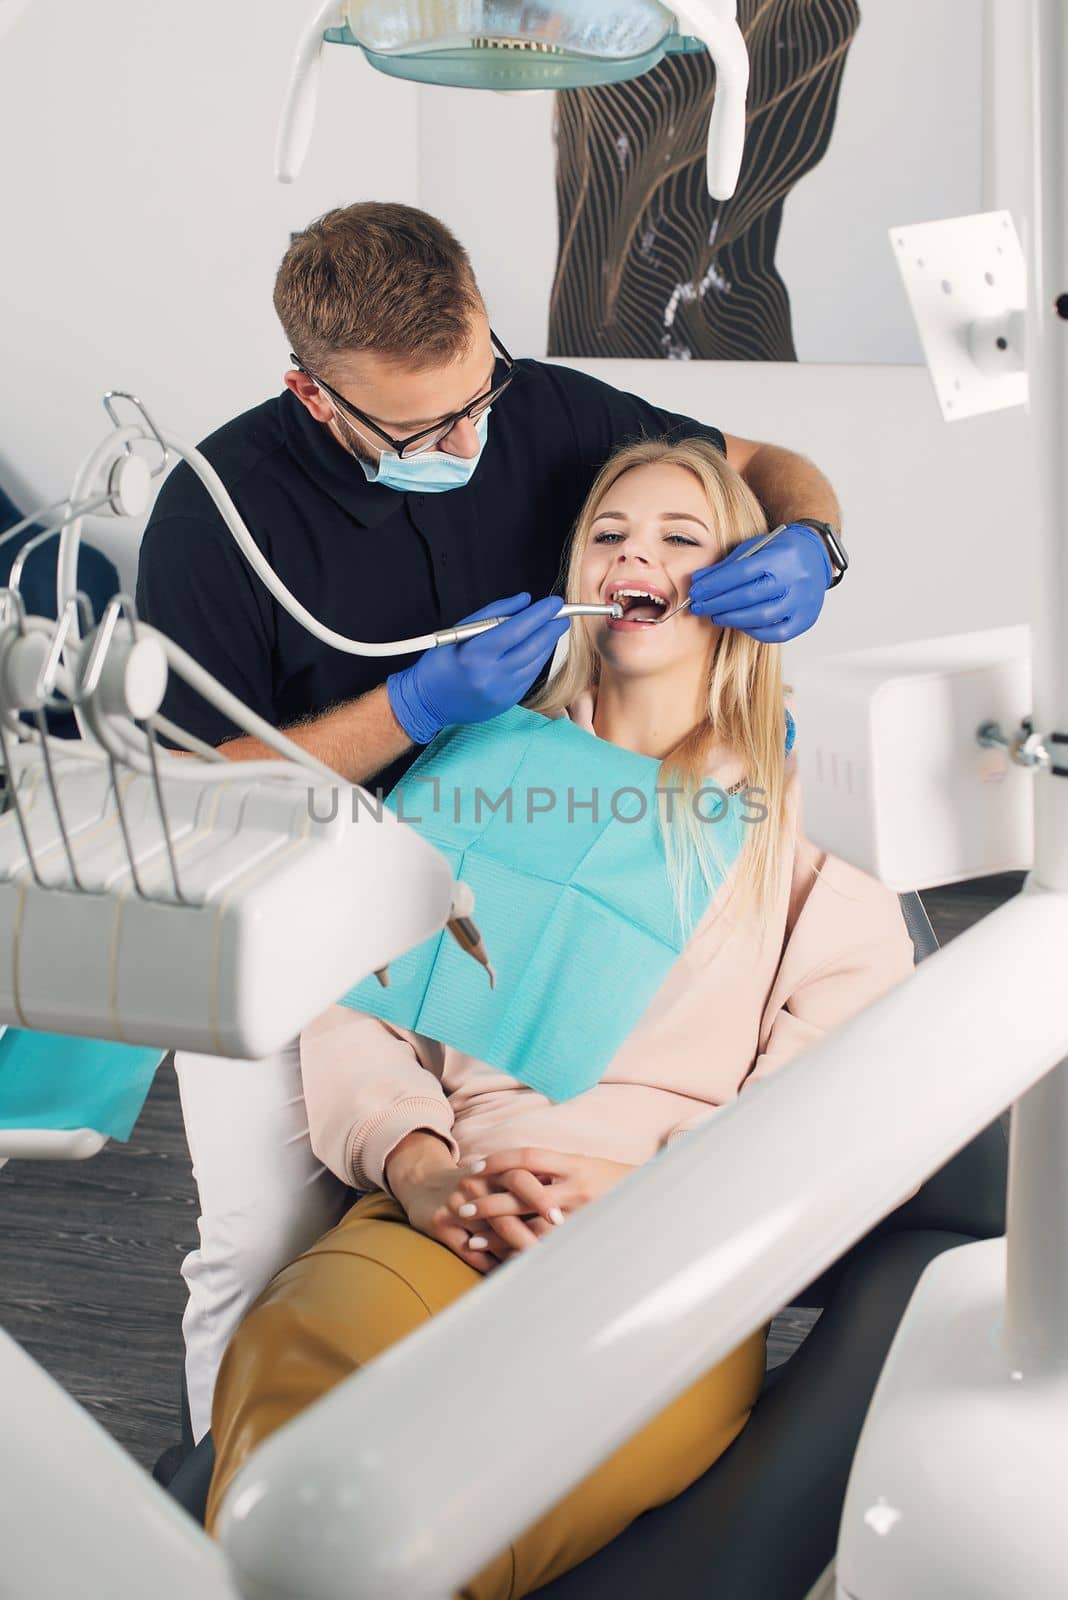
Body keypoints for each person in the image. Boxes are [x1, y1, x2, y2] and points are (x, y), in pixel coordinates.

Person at [135, 200, 849, 1444]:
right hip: (266, 888)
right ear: (318, 398)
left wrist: (816, 543)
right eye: (428, 425)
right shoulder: (216, 516)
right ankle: (218, 1520)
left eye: (481, 391)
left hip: (511, 976)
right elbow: (183, 792)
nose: (473, 435)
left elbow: (769, 468)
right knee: (264, 1243)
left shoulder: (548, 413)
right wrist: (408, 706)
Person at [204, 437, 911, 1598]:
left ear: (738, 585)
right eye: (610, 534)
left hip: (667, 1261)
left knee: (448, 1529)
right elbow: (356, 1005)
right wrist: (423, 1168)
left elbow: (830, 1081)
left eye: (684, 540)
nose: (639, 553)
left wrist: (671, 1208)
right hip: (445, 1213)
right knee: (296, 1441)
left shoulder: (805, 823)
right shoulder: (477, 771)